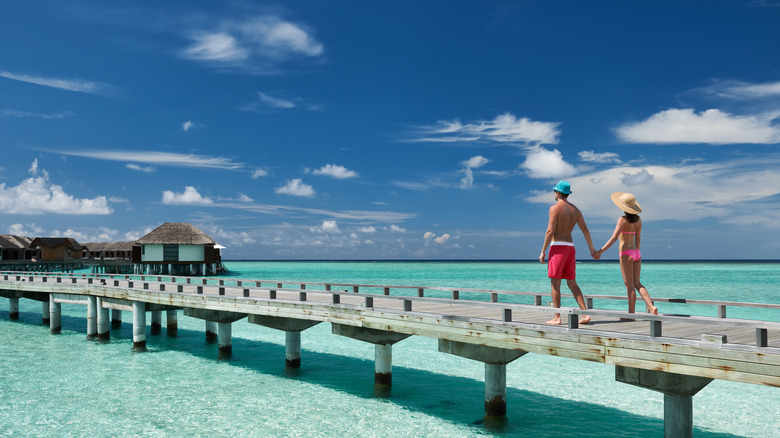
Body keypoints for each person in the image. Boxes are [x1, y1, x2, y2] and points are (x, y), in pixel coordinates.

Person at [539, 180, 597, 325]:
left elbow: (550, 231)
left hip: (557, 247)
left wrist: (543, 251)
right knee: (572, 282)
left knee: (555, 283)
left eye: (554, 191)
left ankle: (557, 317)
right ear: (567, 193)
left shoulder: (555, 208)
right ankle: (584, 314)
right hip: (570, 247)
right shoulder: (576, 210)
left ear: (557, 193)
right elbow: (585, 231)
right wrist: (591, 249)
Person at [594, 192, 658, 318]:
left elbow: (613, 238)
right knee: (637, 283)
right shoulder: (639, 220)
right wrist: (637, 254)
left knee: (629, 285)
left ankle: (631, 315)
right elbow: (638, 239)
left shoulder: (622, 220)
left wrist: (600, 251)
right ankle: (651, 306)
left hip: (626, 253)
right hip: (636, 252)